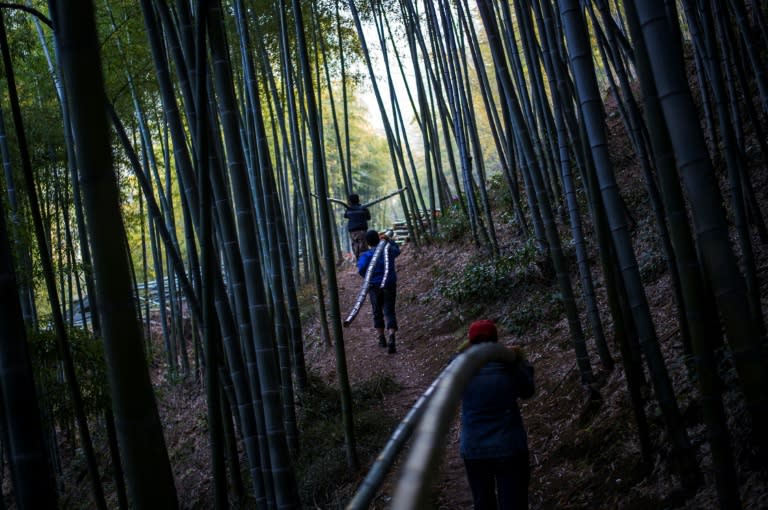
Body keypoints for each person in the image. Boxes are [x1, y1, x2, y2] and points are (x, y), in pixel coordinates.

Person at [460, 320, 535, 510]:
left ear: (470, 341)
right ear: (496, 339)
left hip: (474, 447)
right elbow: (527, 391)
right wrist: (522, 363)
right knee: (514, 503)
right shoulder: (509, 365)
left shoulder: (460, 366)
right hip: (509, 446)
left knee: (483, 502)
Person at [357, 229, 400, 353]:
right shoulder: (388, 250)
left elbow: (361, 270)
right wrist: (389, 241)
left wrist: (369, 277)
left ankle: (382, 338)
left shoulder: (366, 255)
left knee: (377, 311)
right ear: (379, 238)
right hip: (389, 284)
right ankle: (392, 336)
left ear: (368, 243)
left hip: (374, 286)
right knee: (389, 311)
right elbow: (398, 251)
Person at [344, 194, 371, 261]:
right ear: (358, 200)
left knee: (355, 246)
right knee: (363, 246)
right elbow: (368, 217)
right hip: (362, 230)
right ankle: (363, 262)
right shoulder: (363, 208)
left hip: (352, 232)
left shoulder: (349, 209)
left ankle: (359, 261)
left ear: (350, 201)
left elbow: (345, 216)